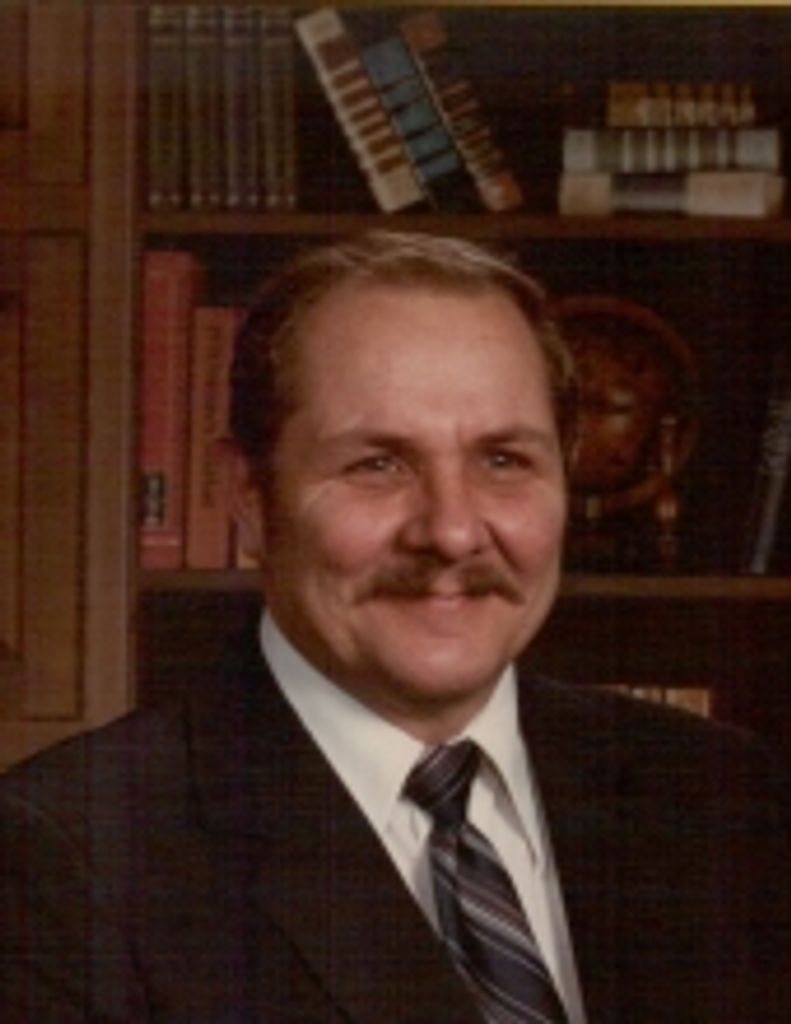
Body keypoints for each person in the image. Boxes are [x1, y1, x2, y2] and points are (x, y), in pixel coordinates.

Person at [0, 230, 788, 1023]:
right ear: (247, 495)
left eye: (503, 460)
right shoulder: (68, 855)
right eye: (377, 464)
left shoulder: (725, 797)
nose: (451, 532)